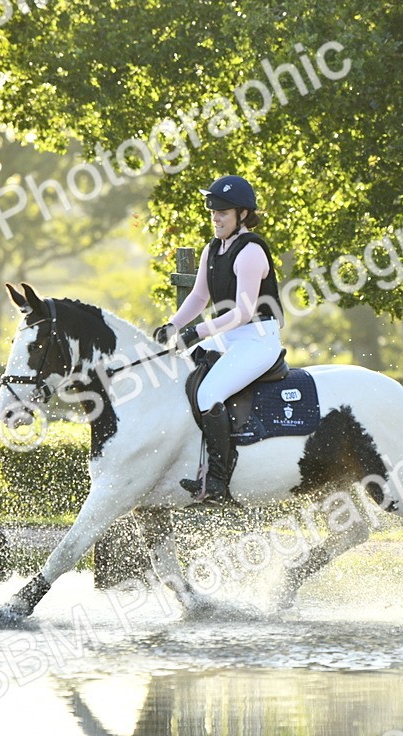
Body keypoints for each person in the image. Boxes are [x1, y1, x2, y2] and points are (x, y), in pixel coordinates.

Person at [152, 175, 284, 503]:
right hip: (228, 338)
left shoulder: (250, 251)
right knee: (181, 374)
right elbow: (199, 297)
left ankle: (218, 482)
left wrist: (197, 331)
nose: (215, 217)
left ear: (242, 214)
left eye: (223, 212)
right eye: (213, 211)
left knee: (210, 391)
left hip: (257, 339)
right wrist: (173, 324)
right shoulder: (213, 248)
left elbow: (242, 311)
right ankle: (188, 463)